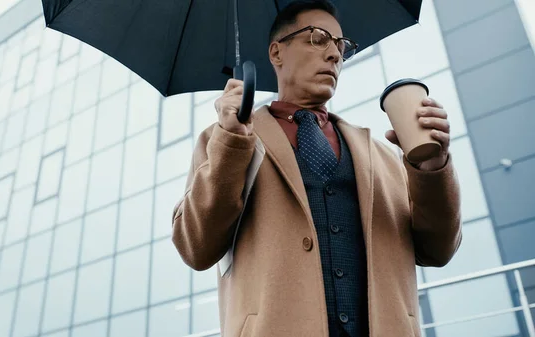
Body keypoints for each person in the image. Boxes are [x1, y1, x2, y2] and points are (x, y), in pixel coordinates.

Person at [172, 0, 462, 336]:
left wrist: (431, 166)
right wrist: (232, 141)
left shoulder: (384, 157)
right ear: (277, 52)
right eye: (318, 38)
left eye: (341, 46)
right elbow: (196, 246)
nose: (334, 54)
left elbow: (438, 250)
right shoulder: (226, 138)